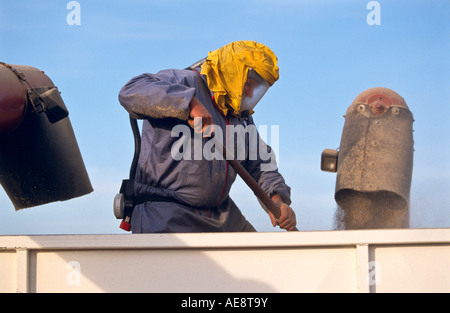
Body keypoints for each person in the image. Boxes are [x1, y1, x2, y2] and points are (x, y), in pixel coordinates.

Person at [118, 41, 296, 233]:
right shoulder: (185, 81)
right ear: (233, 72)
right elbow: (131, 91)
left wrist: (277, 201)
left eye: (258, 88)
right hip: (166, 209)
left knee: (261, 257)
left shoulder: (241, 117)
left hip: (219, 214)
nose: (251, 93)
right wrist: (188, 103)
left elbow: (260, 163)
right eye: (249, 84)